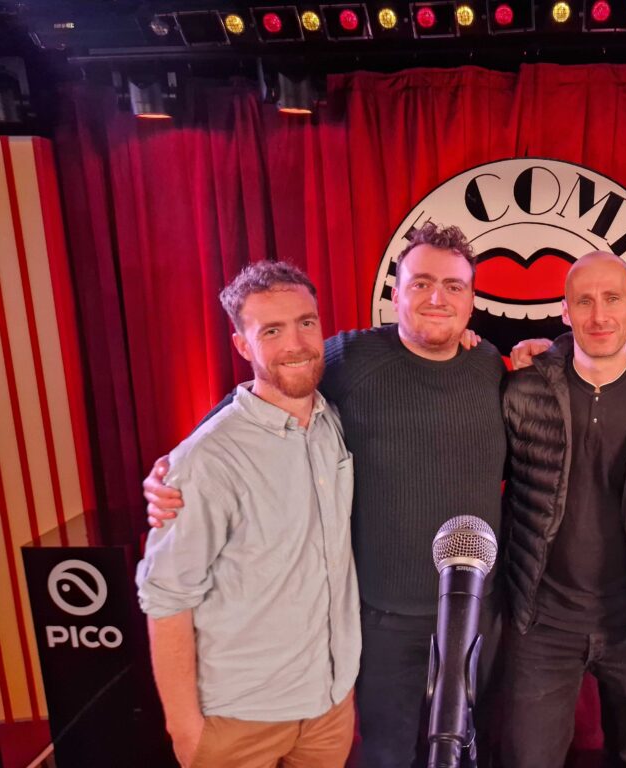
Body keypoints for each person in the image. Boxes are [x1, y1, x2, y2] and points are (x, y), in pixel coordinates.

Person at [144, 224, 507, 768]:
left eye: (454, 286)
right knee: (388, 753)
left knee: (466, 748)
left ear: (472, 299)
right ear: (395, 293)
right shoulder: (351, 358)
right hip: (383, 617)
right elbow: (265, 391)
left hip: (478, 608)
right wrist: (175, 464)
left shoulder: (489, 365)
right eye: (421, 283)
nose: (438, 298)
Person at [136, 261, 360, 768]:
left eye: (306, 322)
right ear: (243, 346)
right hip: (239, 719)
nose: (296, 344)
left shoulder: (331, 422)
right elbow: (165, 597)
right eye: (272, 331)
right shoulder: (205, 460)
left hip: (328, 708)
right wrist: (183, 728)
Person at [500, 251, 626, 768]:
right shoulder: (524, 390)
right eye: (583, 301)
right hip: (542, 624)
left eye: (612, 298)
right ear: (564, 312)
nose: (599, 315)